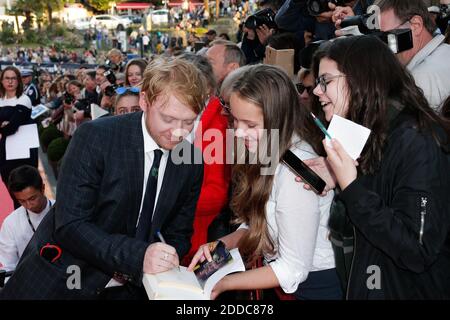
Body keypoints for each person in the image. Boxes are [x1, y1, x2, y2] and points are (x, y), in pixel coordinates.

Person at [0, 57, 206, 299]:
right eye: (169, 119)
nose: (178, 132)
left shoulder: (190, 160)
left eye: (189, 122)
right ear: (144, 101)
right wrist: (139, 256)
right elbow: (70, 225)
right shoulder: (97, 137)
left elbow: (179, 233)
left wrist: (166, 257)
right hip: (66, 283)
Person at [311, 35, 450, 299]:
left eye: (325, 81)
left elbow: (417, 249)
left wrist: (351, 187)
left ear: (361, 79)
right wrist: (336, 178)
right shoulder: (372, 132)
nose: (317, 91)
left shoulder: (417, 141)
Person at [189, 64, 342, 300]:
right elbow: (262, 223)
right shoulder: (268, 147)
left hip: (315, 289)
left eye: (250, 125)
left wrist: (225, 283)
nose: (238, 133)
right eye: (235, 121)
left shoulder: (295, 170)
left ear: (276, 118)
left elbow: (293, 268)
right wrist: (223, 244)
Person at [0, 165, 55, 272]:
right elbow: (8, 266)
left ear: (43, 188)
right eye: (22, 201)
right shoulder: (10, 224)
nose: (29, 205)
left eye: (32, 198)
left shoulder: (62, 211)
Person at [0, 66, 36, 209]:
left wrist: (6, 124)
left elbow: (12, 127)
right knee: (8, 182)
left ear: (18, 81)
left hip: (23, 151)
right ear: (2, 81)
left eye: (13, 78)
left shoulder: (24, 99)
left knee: (24, 188)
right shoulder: (1, 100)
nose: (10, 81)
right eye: (7, 78)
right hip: (5, 149)